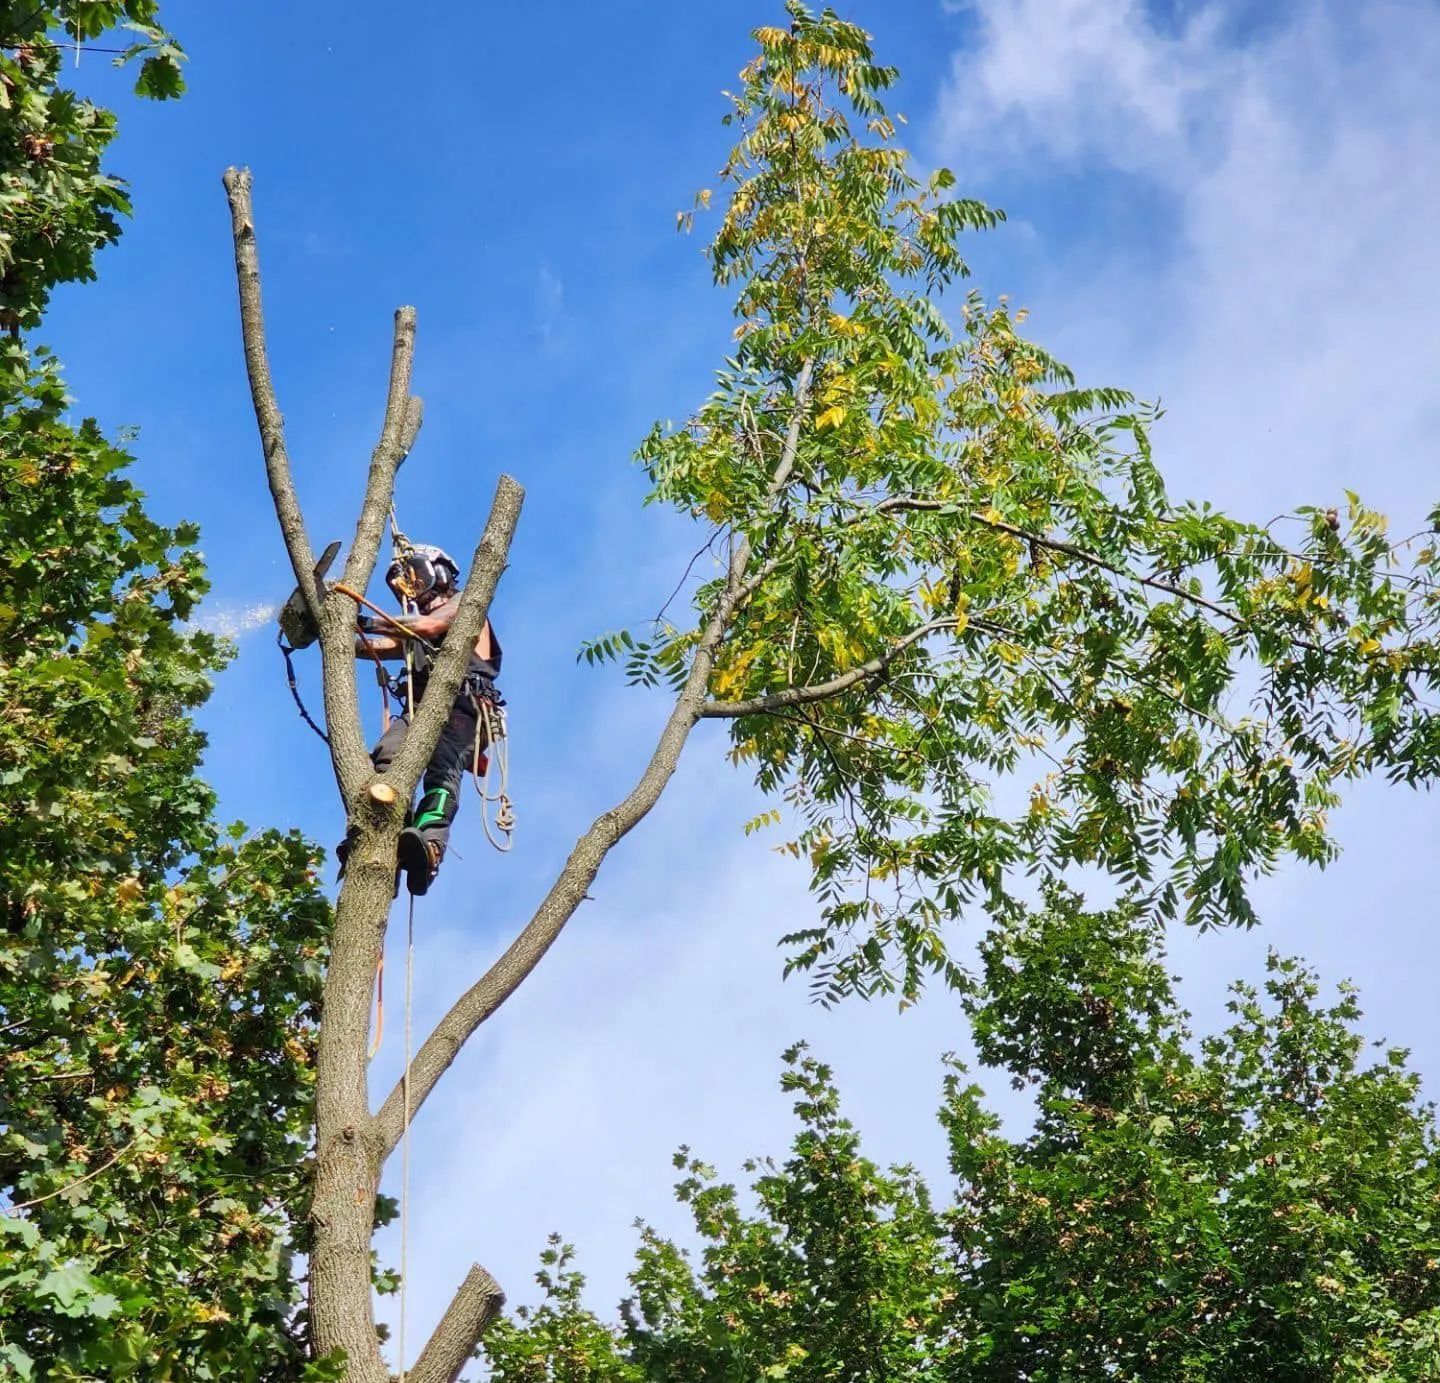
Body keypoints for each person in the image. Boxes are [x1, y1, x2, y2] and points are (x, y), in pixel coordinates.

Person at [344, 543, 502, 896]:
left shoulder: (464, 605)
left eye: (418, 579)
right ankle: (380, 835)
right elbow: (380, 647)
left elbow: (429, 627)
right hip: (419, 709)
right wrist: (337, 632)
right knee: (386, 756)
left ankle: (429, 846)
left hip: (464, 705)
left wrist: (366, 620)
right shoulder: (413, 631)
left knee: (442, 768)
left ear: (440, 574)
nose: (415, 591)